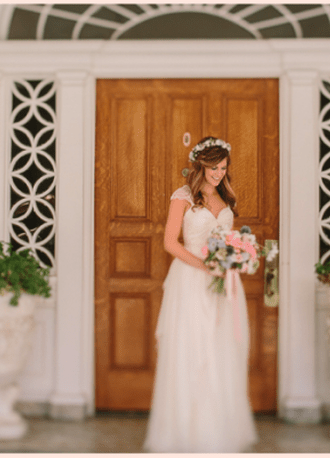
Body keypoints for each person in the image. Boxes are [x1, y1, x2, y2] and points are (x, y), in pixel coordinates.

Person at [143, 137, 257, 453]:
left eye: (223, 167)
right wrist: (205, 266)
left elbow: (229, 239)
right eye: (212, 167)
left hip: (223, 283)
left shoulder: (226, 197)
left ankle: (218, 430)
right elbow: (170, 242)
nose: (218, 173)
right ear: (200, 165)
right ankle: (186, 433)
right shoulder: (183, 197)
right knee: (194, 347)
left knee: (221, 349)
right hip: (191, 280)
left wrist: (242, 253)